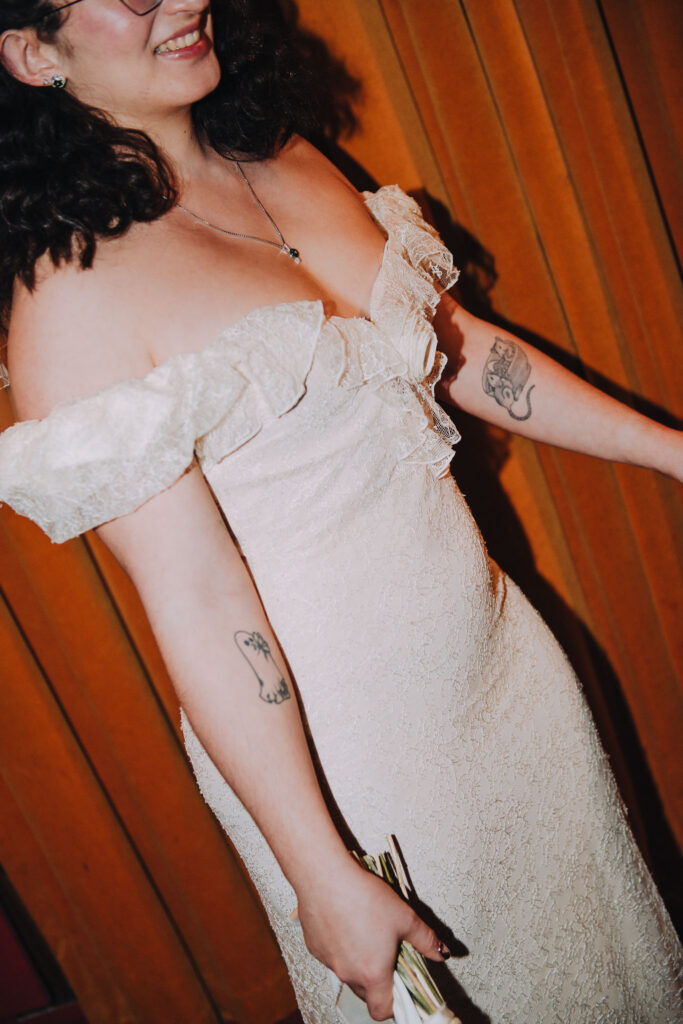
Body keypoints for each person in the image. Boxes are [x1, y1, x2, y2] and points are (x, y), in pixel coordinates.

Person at [0, 1, 681, 1021]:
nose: (181, 0)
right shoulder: (72, 299)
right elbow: (192, 594)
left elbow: (453, 348)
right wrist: (319, 869)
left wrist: (673, 451)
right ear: (31, 52)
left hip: (506, 677)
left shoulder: (281, 156)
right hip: (355, 768)